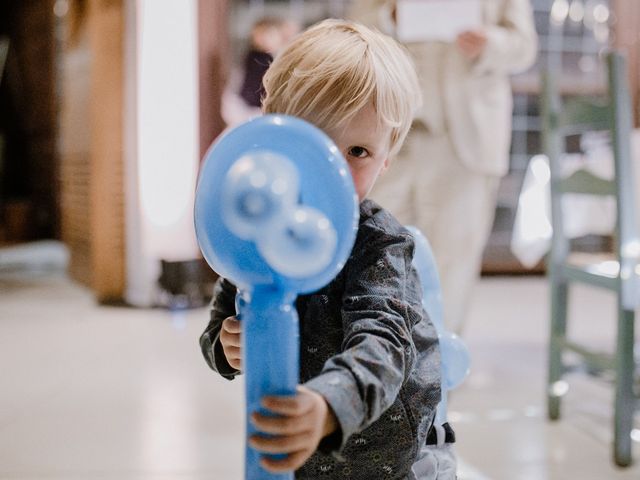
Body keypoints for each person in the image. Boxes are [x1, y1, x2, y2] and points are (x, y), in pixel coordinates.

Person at [200, 19, 445, 479]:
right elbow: (222, 315)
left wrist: (329, 402)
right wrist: (224, 343)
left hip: (392, 460)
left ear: (386, 159)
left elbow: (385, 344)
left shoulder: (378, 244)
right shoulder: (258, 227)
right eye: (312, 140)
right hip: (302, 455)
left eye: (357, 151)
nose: (329, 168)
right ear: (270, 123)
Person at [348, 0, 538, 334]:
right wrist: (390, 16)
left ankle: (441, 372)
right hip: (391, 134)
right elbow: (352, 29)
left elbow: (524, 46)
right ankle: (375, 360)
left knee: (453, 264)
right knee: (373, 252)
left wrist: (489, 42)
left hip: (464, 138)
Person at [222, 16, 300, 127]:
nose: (265, 39)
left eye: (270, 36)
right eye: (262, 35)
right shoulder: (257, 59)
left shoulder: (266, 58)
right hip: (251, 107)